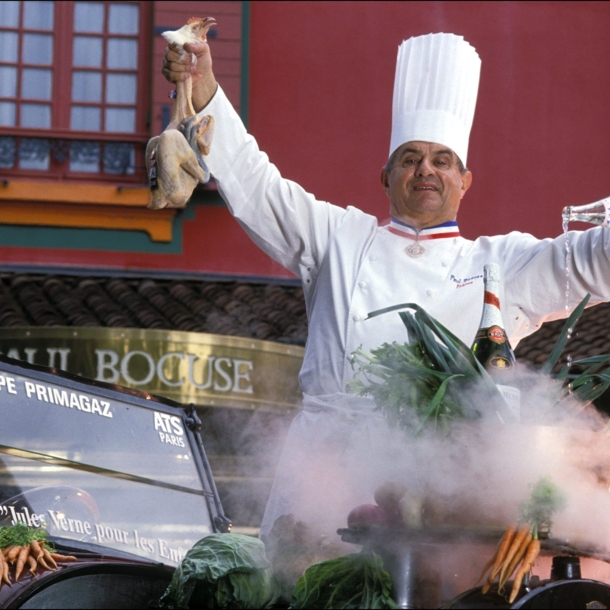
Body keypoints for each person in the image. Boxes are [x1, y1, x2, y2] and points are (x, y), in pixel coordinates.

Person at [162, 33, 610, 540]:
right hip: (321, 478)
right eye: (410, 158)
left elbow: (591, 261)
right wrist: (203, 87)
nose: (426, 170)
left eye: (443, 160)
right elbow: (256, 185)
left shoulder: (500, 263)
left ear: (465, 181)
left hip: (434, 490)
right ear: (386, 175)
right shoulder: (338, 237)